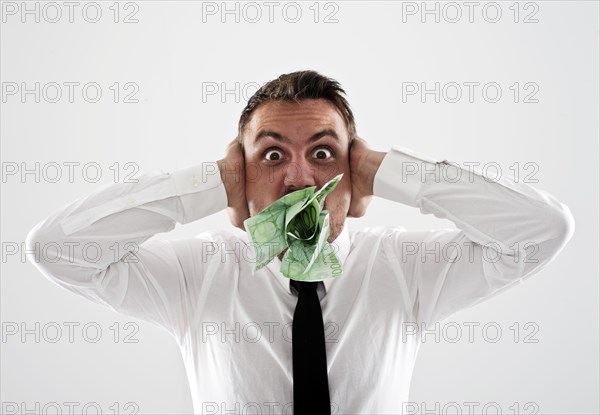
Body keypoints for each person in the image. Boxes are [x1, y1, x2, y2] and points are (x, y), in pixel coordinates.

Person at [26, 70, 575, 415]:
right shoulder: (195, 274)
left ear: (353, 177)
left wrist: (381, 171)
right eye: (270, 155)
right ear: (240, 173)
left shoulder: (408, 268)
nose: (299, 179)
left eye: (322, 153)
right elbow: (56, 249)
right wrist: (212, 184)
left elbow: (540, 230)